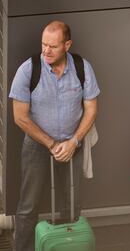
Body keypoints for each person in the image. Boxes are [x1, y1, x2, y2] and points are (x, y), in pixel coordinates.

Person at [9, 20, 100, 251]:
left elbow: (91, 109)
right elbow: (20, 117)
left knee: (70, 206)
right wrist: (51, 143)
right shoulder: (29, 69)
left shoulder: (82, 67)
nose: (46, 51)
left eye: (53, 46)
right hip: (37, 146)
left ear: (67, 45)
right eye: (43, 45)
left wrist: (74, 141)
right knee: (28, 206)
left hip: (73, 144)